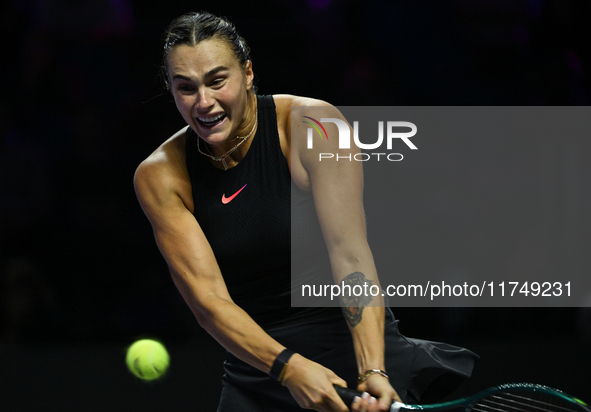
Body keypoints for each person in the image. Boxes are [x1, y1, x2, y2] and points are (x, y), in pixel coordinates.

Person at [134, 11, 477, 412]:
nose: (204, 102)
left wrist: (372, 371)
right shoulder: (160, 176)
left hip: (352, 347)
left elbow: (350, 255)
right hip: (259, 369)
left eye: (216, 81)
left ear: (247, 73)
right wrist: (288, 368)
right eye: (185, 88)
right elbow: (210, 304)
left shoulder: (314, 125)